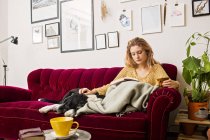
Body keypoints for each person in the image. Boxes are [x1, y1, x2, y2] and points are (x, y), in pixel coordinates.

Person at [79, 37, 180, 95]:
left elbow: (166, 85)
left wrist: (176, 84)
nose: (137, 56)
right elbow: (112, 86)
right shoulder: (128, 69)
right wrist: (93, 91)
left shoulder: (156, 68)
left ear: (147, 52)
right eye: (133, 54)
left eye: (139, 52)